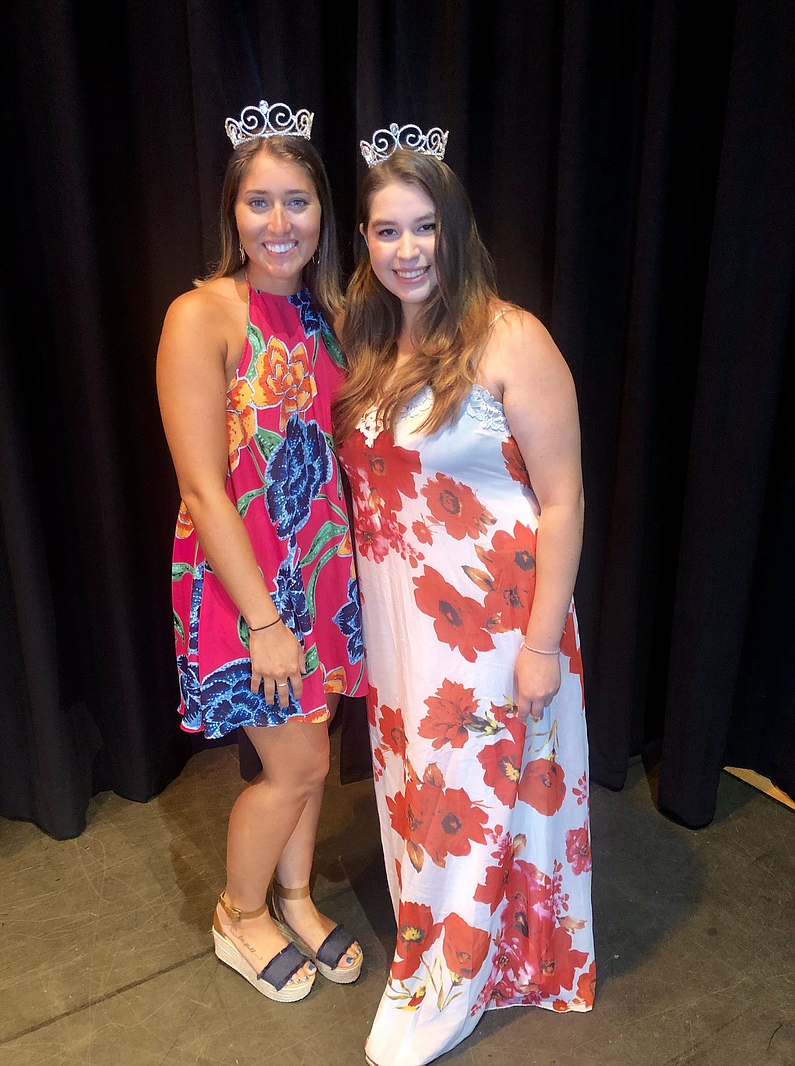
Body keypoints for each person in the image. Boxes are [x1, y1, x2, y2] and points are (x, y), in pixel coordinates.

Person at [333, 128, 595, 1064]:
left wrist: (538, 644)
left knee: (471, 794)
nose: (406, 250)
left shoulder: (510, 336)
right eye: (385, 230)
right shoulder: (371, 337)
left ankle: (444, 983)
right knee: (420, 788)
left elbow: (562, 498)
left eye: (424, 227)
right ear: (364, 240)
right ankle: (454, 945)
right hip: (400, 618)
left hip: (491, 621)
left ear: (456, 230)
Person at [156, 99, 366, 1003]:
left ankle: (294, 894)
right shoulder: (200, 316)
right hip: (245, 587)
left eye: (298, 203)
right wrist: (265, 620)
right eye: (259, 203)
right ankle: (238, 915)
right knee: (298, 765)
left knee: (314, 746)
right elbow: (204, 489)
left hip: (318, 574)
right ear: (232, 214)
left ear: (324, 215)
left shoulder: (323, 313)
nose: (279, 224)